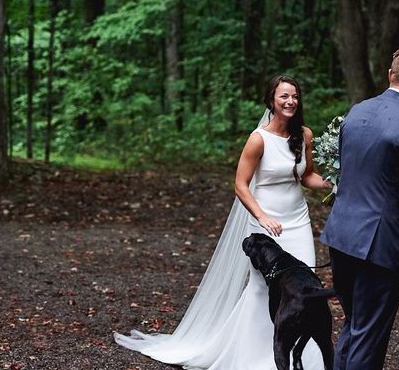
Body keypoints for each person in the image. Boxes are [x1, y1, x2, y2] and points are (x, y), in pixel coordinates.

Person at [114, 75, 333, 370]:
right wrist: (262, 217)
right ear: (271, 101)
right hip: (265, 223)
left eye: (294, 96)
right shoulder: (259, 139)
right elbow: (241, 185)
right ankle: (255, 358)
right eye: (284, 96)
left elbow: (306, 176)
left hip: (298, 221)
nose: (290, 101)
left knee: (303, 286)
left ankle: (302, 359)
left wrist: (333, 184)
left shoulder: (305, 135)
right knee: (263, 290)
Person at [320, 47, 399, 370]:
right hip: (378, 245)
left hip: (341, 234)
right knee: (368, 335)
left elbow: (352, 171)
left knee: (355, 324)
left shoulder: (357, 111)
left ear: (390, 74)